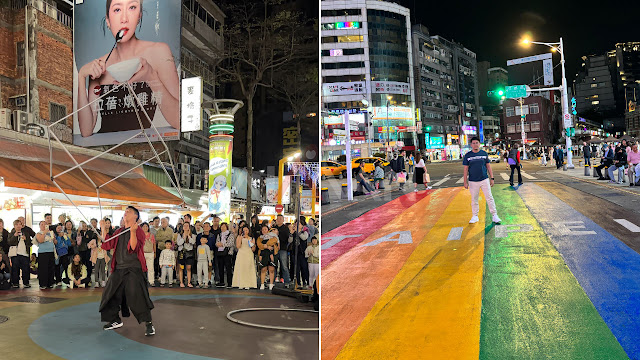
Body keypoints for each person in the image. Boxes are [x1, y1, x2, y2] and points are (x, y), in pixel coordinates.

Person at [77, 0, 180, 137]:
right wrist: (81, 76)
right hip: (105, 149)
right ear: (108, 20)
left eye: (132, 7)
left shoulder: (159, 52)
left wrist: (151, 77)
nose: (124, 19)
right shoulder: (99, 66)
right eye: (117, 10)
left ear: (139, 15)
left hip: (144, 147)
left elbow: (179, 121)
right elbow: (86, 131)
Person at [99, 206, 155, 337]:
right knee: (109, 294)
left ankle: (149, 324)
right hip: (118, 269)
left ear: (135, 216)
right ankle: (114, 320)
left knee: (137, 296)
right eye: (125, 212)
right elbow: (106, 244)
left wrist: (133, 232)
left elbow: (133, 248)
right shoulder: (119, 231)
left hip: (133, 269)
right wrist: (103, 229)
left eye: (128, 211)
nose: (125, 213)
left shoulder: (139, 231)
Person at [463, 137, 501, 224]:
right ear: (471, 145)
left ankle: (494, 215)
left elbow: (488, 166)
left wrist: (492, 178)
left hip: (484, 179)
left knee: (489, 197)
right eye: (473, 143)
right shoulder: (468, 155)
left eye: (477, 143)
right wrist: (465, 182)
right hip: (472, 181)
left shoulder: (484, 154)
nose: (475, 144)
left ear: (479, 144)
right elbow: (465, 169)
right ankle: (475, 216)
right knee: (474, 199)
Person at [8, 219, 33, 288]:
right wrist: (14, 236)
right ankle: (15, 282)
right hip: (15, 254)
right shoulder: (12, 233)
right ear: (14, 226)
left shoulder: (26, 233)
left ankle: (26, 282)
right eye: (17, 225)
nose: (18, 226)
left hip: (24, 253)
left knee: (25, 269)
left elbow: (30, 243)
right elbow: (9, 242)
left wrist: (26, 239)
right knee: (15, 269)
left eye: (20, 224)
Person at [35, 221, 56, 289]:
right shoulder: (38, 233)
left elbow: (55, 242)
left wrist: (54, 238)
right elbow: (40, 240)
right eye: (42, 224)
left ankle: (50, 283)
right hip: (43, 253)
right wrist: (44, 232)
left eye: (45, 224)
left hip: (51, 252)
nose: (44, 226)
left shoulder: (51, 233)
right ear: (40, 226)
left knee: (51, 268)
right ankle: (43, 284)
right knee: (43, 269)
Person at [257, 225, 277, 290]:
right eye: (263, 230)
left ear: (268, 230)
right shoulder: (260, 238)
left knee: (271, 269)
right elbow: (259, 245)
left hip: (271, 252)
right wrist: (266, 246)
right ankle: (262, 284)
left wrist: (266, 245)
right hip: (263, 253)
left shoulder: (272, 236)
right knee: (263, 269)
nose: (264, 231)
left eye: (265, 229)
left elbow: (274, 241)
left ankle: (271, 284)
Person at [214, 223, 234, 289]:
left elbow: (231, 243)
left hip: (227, 253)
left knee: (228, 268)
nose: (222, 228)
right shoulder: (219, 235)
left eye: (224, 227)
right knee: (220, 267)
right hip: (220, 252)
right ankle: (221, 282)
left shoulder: (230, 234)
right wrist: (217, 244)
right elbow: (217, 242)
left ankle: (229, 283)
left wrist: (223, 244)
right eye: (221, 227)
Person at [176, 223, 196, 288]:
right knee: (181, 268)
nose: (186, 227)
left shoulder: (193, 235)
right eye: (184, 226)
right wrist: (183, 237)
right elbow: (179, 243)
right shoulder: (179, 235)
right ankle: (181, 282)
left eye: (187, 226)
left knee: (188, 268)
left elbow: (193, 242)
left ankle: (189, 282)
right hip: (181, 253)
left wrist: (189, 236)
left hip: (189, 253)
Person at [76, 221, 96, 286]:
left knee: (88, 264)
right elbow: (78, 242)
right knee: (81, 264)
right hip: (81, 251)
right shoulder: (79, 232)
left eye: (85, 226)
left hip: (88, 251)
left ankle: (88, 278)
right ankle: (81, 278)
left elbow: (90, 240)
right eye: (83, 226)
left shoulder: (90, 232)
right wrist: (79, 232)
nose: (84, 227)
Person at [274, 215, 291, 286]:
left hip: (283, 249)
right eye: (278, 219)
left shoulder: (285, 228)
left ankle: (287, 281)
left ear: (283, 220)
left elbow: (286, 238)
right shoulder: (274, 228)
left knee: (284, 266)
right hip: (274, 249)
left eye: (280, 219)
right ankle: (272, 281)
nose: (279, 220)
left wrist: (278, 234)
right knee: (273, 265)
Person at [293, 221, 310, 288]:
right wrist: (292, 233)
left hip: (302, 253)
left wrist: (298, 232)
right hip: (295, 252)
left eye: (299, 224)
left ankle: (306, 281)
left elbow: (304, 238)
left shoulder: (305, 232)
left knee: (304, 268)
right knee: (296, 268)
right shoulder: (294, 232)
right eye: (296, 224)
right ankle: (298, 282)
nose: (297, 225)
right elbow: (290, 240)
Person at [141, 222, 156, 287]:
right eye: (143, 226)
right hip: (142, 253)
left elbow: (154, 244)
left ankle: (151, 281)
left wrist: (154, 252)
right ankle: (141, 281)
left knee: (151, 268)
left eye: (146, 226)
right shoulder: (139, 235)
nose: (145, 228)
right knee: (141, 268)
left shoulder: (151, 235)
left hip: (150, 253)